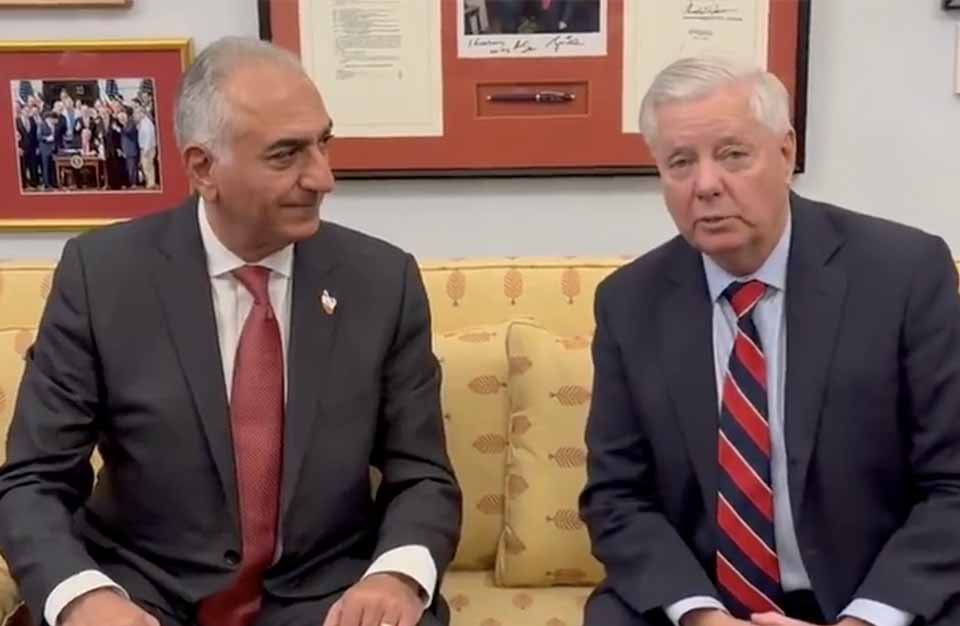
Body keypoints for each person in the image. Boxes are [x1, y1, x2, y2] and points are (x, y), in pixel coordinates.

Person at [0, 36, 461, 626]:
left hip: (326, 596)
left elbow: (422, 474)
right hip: (140, 591)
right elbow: (34, 479)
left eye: (323, 144)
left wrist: (395, 577)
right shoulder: (103, 277)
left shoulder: (382, 281)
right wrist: (84, 598)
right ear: (202, 168)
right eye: (286, 155)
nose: (322, 178)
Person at [579, 57, 960, 626]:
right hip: (705, 599)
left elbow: (952, 484)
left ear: (785, 154)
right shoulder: (629, 303)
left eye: (733, 154)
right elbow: (616, 498)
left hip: (870, 593)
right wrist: (702, 617)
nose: (706, 185)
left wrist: (863, 621)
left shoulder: (904, 274)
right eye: (680, 163)